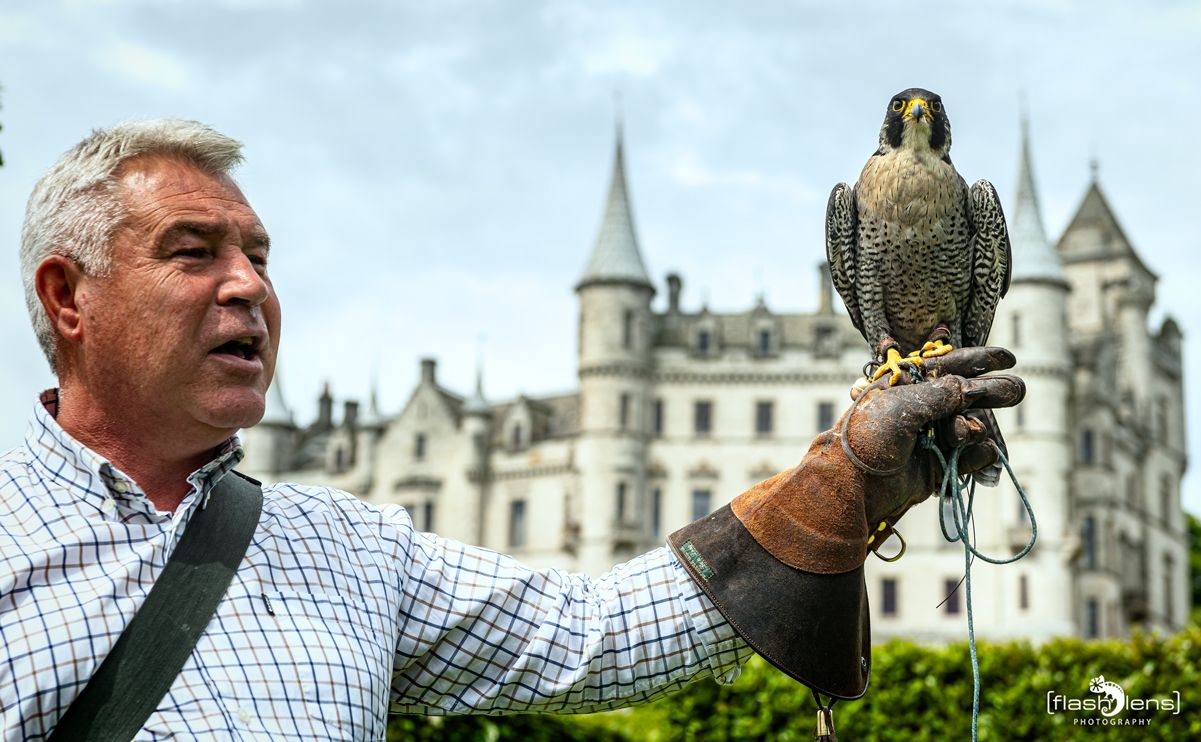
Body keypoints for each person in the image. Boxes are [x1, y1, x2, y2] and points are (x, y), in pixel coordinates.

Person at [2, 119, 1024, 739]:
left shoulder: (344, 546)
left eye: (259, 256)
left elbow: (595, 638)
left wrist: (845, 479)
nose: (248, 286)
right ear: (68, 297)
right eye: (194, 253)